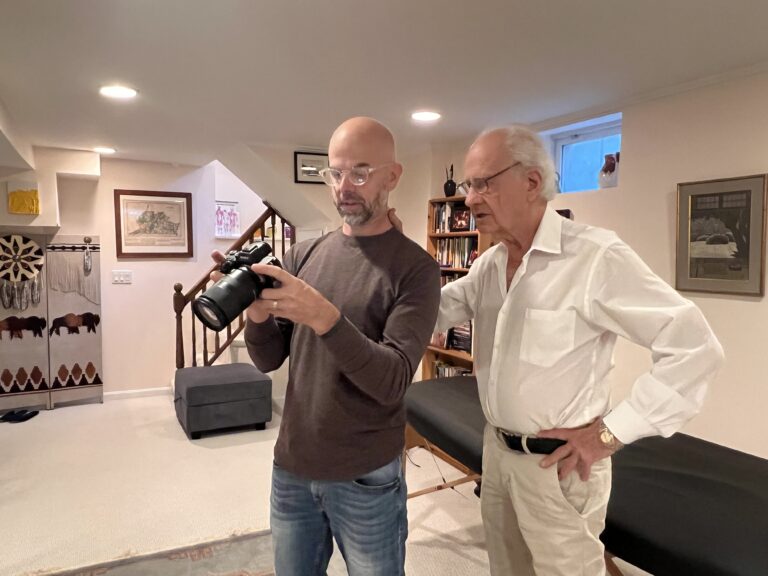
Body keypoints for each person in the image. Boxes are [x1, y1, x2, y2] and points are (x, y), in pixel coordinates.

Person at [430, 125, 723, 575]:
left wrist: (610, 433)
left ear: (531, 182)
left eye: (483, 183)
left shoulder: (595, 257)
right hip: (497, 455)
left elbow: (694, 347)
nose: (469, 199)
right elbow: (431, 314)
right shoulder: (489, 263)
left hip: (558, 469)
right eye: (469, 186)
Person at [213, 117, 440, 576]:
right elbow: (267, 359)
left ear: (393, 176)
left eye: (360, 172)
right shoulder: (303, 256)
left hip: (366, 476)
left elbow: (393, 378)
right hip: (292, 466)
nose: (343, 187)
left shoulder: (416, 269)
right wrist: (255, 311)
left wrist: (322, 315)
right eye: (334, 173)